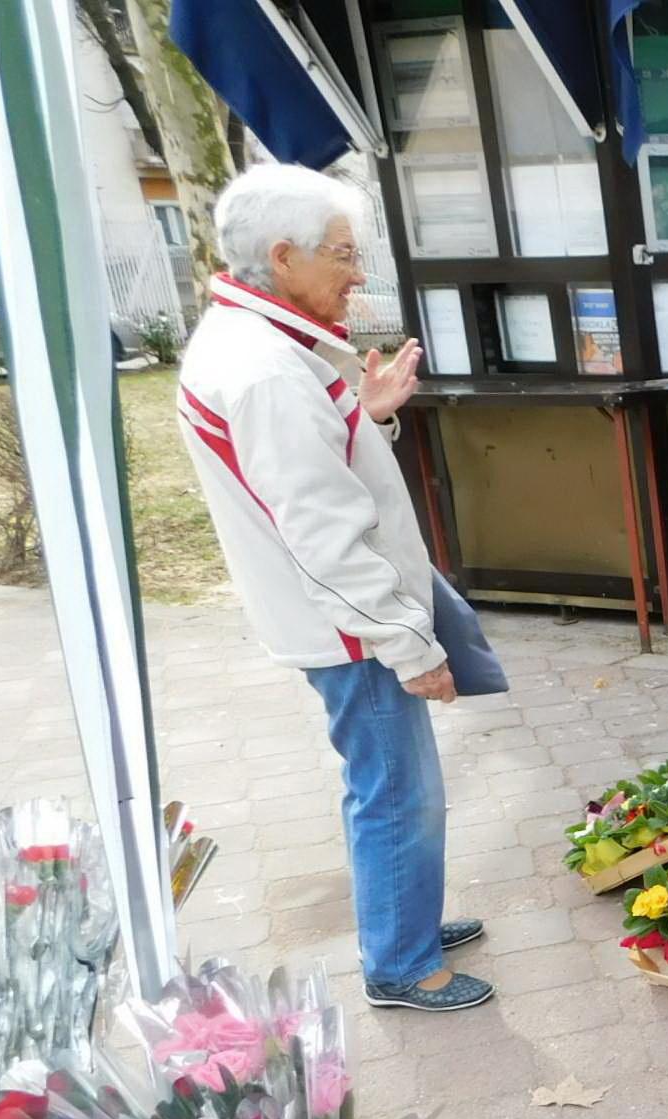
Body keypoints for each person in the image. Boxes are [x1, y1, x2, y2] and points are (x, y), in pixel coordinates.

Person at [178, 164, 493, 1012]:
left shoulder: (258, 344)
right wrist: (408, 644)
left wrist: (371, 412)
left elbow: (317, 471)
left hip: (338, 615)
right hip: (350, 625)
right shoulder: (268, 370)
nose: (359, 273)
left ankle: (407, 919)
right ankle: (401, 962)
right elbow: (323, 533)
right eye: (345, 255)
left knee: (393, 785)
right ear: (283, 257)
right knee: (397, 791)